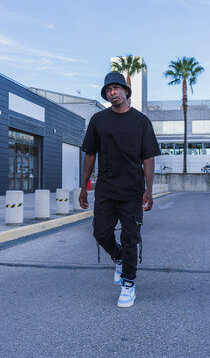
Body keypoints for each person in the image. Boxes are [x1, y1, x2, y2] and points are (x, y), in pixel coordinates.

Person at [79, 72, 160, 308]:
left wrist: (149, 190)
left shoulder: (141, 121)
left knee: (130, 237)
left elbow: (148, 158)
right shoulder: (98, 120)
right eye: (108, 90)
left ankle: (128, 283)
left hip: (132, 191)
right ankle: (118, 257)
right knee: (101, 233)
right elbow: (90, 154)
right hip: (105, 188)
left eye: (116, 88)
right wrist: (83, 187)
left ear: (126, 91)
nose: (112, 92)